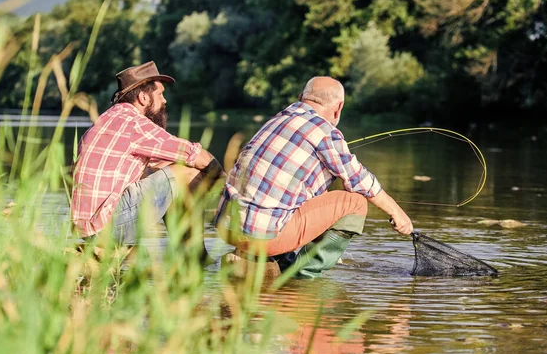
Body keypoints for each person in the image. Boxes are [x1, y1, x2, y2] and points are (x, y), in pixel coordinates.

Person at [215, 76, 413, 278]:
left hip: (226, 228)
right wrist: (397, 212)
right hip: (261, 237)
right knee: (355, 202)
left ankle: (274, 260)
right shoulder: (324, 132)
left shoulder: (277, 120)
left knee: (317, 197)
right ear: (339, 107)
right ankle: (301, 274)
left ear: (301, 97)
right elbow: (359, 180)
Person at [71, 61, 223, 252]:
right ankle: (193, 256)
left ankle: (192, 255)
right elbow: (196, 155)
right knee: (185, 172)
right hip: (108, 227)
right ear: (143, 97)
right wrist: (227, 190)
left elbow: (161, 165)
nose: (165, 100)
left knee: (164, 171)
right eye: (160, 94)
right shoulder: (134, 123)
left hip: (88, 229)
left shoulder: (106, 119)